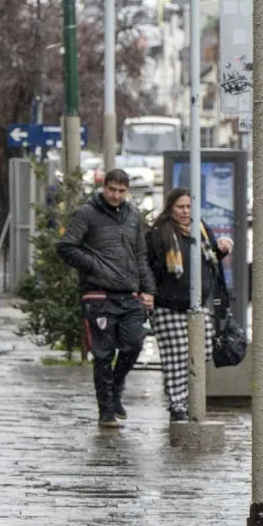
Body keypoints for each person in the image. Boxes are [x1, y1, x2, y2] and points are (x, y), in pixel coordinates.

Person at [57, 169, 156, 428]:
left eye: (122, 191)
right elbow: (66, 246)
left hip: (128, 293)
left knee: (134, 343)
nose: (116, 195)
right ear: (103, 187)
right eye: (112, 189)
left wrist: (148, 289)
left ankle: (116, 385)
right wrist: (92, 265)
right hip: (98, 293)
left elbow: (140, 256)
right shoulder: (86, 214)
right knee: (103, 353)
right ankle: (106, 410)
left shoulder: (133, 216)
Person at [146, 188, 233, 422]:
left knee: (202, 350)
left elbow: (210, 258)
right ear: (170, 208)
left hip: (197, 306)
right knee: (176, 355)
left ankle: (184, 396)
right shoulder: (160, 233)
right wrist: (148, 292)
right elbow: (147, 264)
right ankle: (177, 404)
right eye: (180, 207)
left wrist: (221, 249)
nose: (185, 212)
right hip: (167, 305)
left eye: (189, 207)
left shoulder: (201, 229)